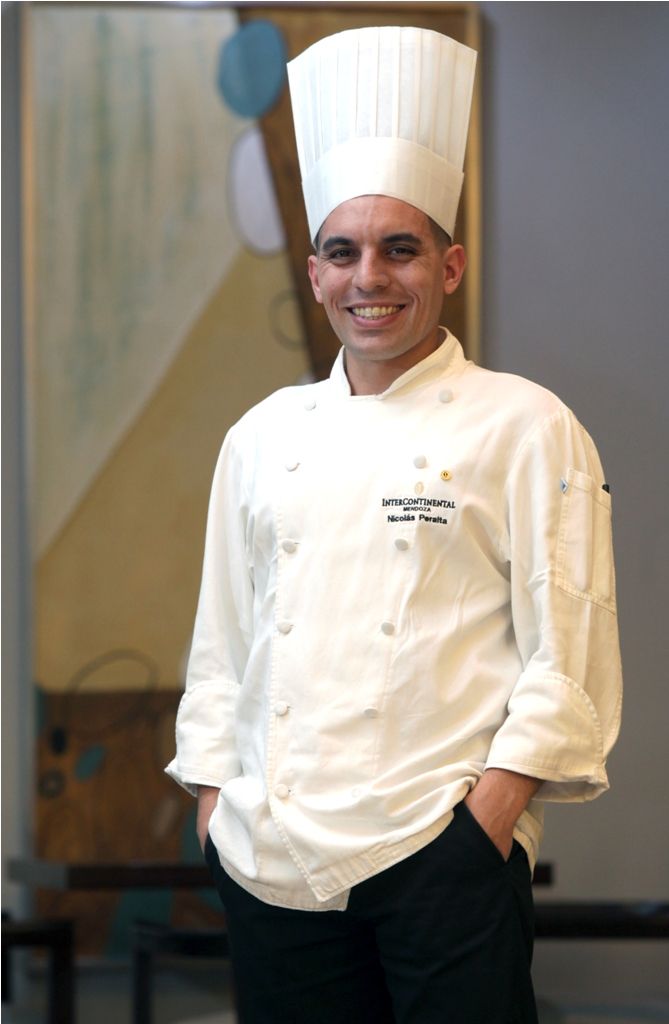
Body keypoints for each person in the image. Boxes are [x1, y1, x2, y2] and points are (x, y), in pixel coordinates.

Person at [167, 26, 622, 1024]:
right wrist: (214, 810)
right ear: (315, 272)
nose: (368, 276)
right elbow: (221, 648)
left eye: (399, 249)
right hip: (272, 868)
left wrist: (485, 822)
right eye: (343, 251)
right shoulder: (261, 435)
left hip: (440, 860)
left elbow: (571, 654)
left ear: (449, 266)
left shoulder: (526, 424)